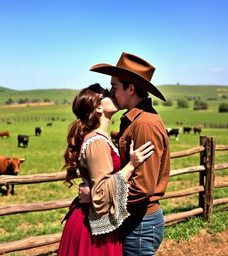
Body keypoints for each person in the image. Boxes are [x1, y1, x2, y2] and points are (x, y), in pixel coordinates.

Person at [83, 52, 170, 256]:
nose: (110, 92)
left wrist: (101, 198)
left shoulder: (144, 124)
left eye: (114, 87)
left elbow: (143, 187)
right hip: (135, 219)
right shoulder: (134, 120)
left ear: (130, 89)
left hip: (140, 222)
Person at [57, 83, 154, 256]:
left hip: (93, 223)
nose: (114, 94)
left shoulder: (100, 138)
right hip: (91, 230)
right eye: (108, 93)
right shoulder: (97, 142)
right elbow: (101, 193)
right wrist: (131, 166)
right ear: (98, 107)